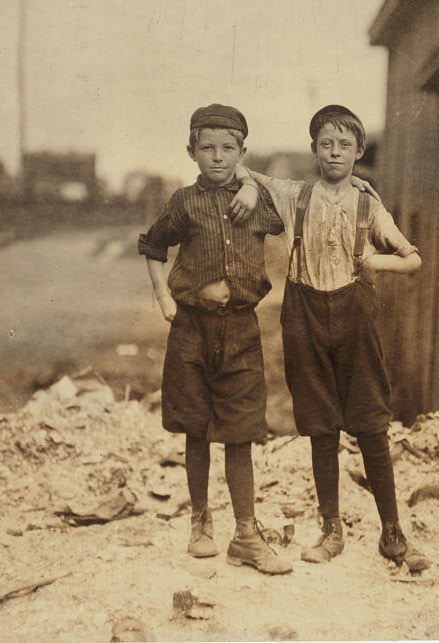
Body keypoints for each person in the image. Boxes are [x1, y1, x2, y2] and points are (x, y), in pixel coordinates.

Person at [233, 104, 430, 572]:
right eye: (325, 143)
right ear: (314, 149)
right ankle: (331, 530)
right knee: (321, 426)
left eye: (344, 144)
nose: (334, 152)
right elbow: (245, 170)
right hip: (303, 315)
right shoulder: (294, 195)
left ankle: (393, 533)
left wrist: (374, 262)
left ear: (360, 151)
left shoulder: (368, 203)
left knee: (371, 425)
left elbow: (412, 258)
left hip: (354, 316)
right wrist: (243, 182)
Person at [137, 104, 291, 575]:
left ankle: (246, 535)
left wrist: (249, 183)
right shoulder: (184, 202)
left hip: (242, 329)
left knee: (241, 433)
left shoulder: (257, 201)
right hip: (191, 330)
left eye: (229, 149)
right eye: (208, 148)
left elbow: (284, 216)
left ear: (242, 152)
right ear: (192, 151)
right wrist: (166, 297)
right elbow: (152, 245)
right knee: (197, 429)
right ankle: (200, 522)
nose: (218, 157)